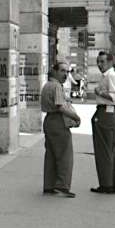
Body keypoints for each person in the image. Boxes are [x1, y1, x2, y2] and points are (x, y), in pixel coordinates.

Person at [41, 61, 81, 197]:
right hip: (58, 121)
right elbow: (60, 106)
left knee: (51, 155)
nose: (65, 74)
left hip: (48, 120)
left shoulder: (47, 85)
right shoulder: (57, 86)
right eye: (63, 71)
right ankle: (62, 185)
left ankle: (49, 185)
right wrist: (76, 117)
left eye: (67, 71)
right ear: (55, 71)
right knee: (65, 155)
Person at [91, 51, 115, 194]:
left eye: (102, 62)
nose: (99, 64)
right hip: (110, 113)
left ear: (110, 62)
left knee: (103, 150)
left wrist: (99, 92)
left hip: (106, 113)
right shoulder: (111, 76)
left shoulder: (111, 76)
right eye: (98, 61)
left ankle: (106, 184)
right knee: (112, 149)